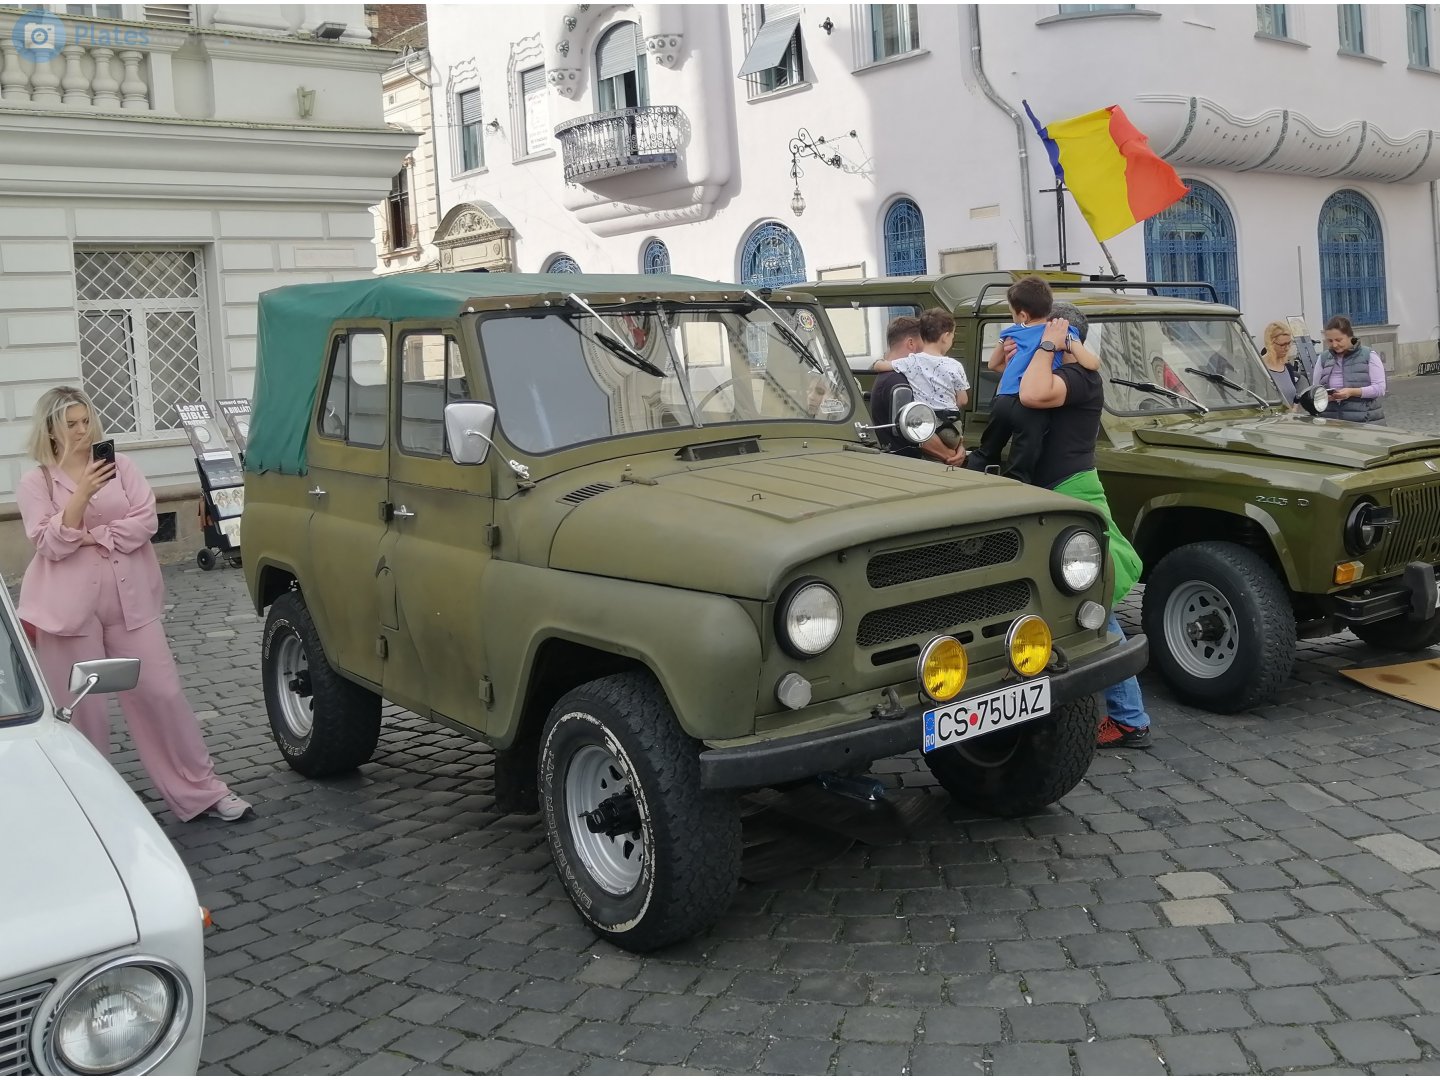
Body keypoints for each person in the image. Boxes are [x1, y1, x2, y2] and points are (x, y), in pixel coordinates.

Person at [17, 386, 253, 822]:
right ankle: (85, 807)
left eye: (86, 421)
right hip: (68, 615)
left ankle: (201, 791)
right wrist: (82, 495)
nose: (83, 431)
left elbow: (144, 521)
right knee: (81, 711)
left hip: (132, 603)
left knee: (162, 693)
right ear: (51, 430)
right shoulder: (37, 482)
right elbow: (48, 543)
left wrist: (92, 534)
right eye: (71, 424)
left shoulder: (120, 466)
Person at [1018, 304, 1152, 749]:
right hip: (1059, 491)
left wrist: (1052, 342)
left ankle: (1130, 719)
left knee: (1095, 609)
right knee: (1082, 606)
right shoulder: (1072, 369)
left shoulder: (1077, 377)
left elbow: (1032, 395)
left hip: (1072, 494)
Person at [965, 275, 1090, 484]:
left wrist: (1013, 362)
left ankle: (973, 475)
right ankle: (1017, 486)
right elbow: (1085, 362)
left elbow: (994, 365)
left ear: (1022, 315)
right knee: (1023, 457)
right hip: (1031, 408)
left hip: (1003, 400)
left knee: (988, 448)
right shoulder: (1060, 332)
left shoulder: (1012, 332)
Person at [871, 308, 968, 464]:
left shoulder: (907, 370)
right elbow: (917, 428)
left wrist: (958, 449)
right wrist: (951, 455)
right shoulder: (897, 383)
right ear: (911, 343)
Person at [1312, 315, 1386, 423]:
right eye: (1330, 341)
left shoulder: (1368, 355)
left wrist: (1352, 392)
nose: (1334, 344)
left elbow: (1380, 388)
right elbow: (1315, 391)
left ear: (1350, 336)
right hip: (1331, 421)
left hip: (1364, 420)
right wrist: (1325, 397)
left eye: (1338, 340)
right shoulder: (1323, 358)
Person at [1259, 320, 1306, 406]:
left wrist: (1295, 407)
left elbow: (1294, 397)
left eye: (1289, 343)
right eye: (1282, 345)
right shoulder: (1258, 367)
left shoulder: (1287, 367)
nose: (1287, 348)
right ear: (1270, 344)